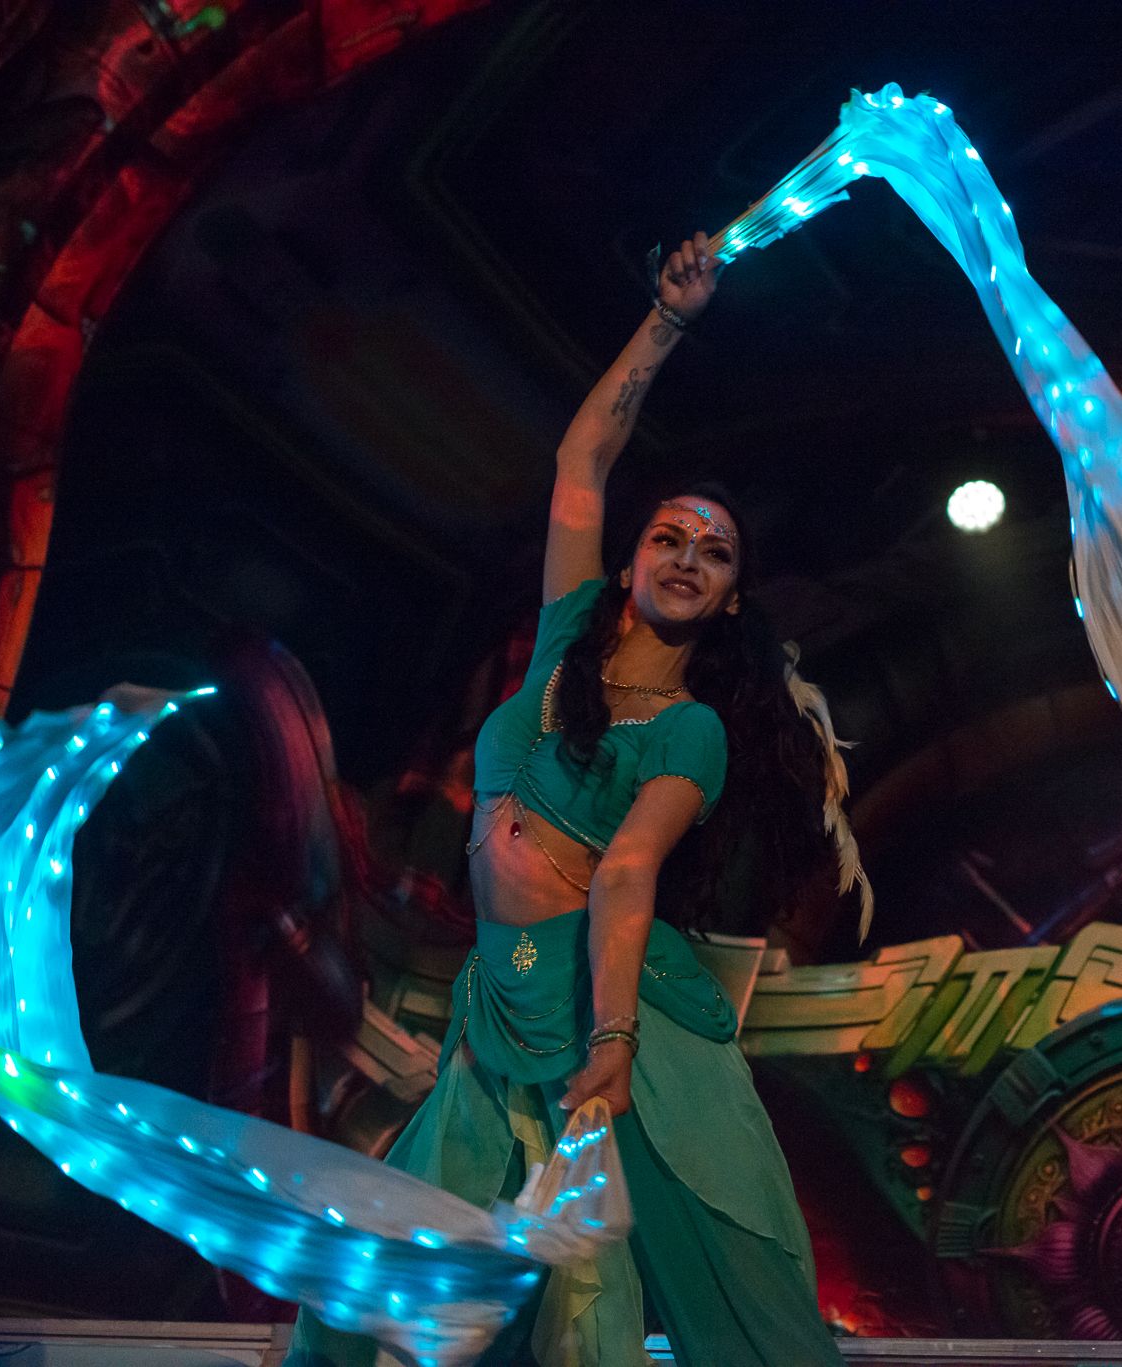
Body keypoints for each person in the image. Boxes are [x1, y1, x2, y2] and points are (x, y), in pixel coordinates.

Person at [291, 233, 847, 1365]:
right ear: (631, 562)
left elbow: (628, 869)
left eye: (715, 554)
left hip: (617, 1008)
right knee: (403, 1280)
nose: (687, 556)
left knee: (720, 1286)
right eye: (669, 537)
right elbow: (583, 456)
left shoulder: (690, 730)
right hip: (502, 997)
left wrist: (614, 1040)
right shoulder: (562, 643)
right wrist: (670, 318)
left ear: (731, 601)